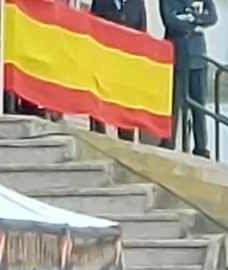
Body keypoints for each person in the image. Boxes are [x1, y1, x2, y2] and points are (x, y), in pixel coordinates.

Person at [161, 0, 218, 156]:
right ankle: (168, 141)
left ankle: (201, 146)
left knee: (198, 105)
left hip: (198, 57)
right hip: (176, 56)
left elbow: (212, 17)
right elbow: (170, 21)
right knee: (173, 103)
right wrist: (194, 25)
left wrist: (192, 18)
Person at [88, 0, 147, 140]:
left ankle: (126, 139)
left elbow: (142, 34)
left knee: (126, 109)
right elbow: (92, 27)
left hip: (127, 66)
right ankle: (98, 137)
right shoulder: (101, 2)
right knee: (99, 106)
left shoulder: (137, 3)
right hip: (104, 62)